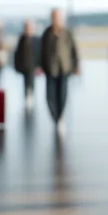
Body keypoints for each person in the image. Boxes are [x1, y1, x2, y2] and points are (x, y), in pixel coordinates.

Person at [39, 7, 80, 137]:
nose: (56, 19)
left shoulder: (67, 33)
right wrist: (40, 66)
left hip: (64, 68)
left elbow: (74, 50)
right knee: (50, 96)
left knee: (62, 95)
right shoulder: (47, 33)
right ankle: (55, 118)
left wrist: (76, 66)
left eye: (58, 17)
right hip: (50, 69)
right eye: (54, 17)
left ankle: (60, 118)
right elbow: (41, 51)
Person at [13, 18, 41, 111]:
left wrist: (39, 65)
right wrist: (17, 65)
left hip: (33, 65)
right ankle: (26, 96)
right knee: (25, 82)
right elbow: (17, 53)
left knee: (31, 81)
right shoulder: (22, 39)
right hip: (24, 65)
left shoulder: (37, 39)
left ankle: (31, 96)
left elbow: (40, 53)